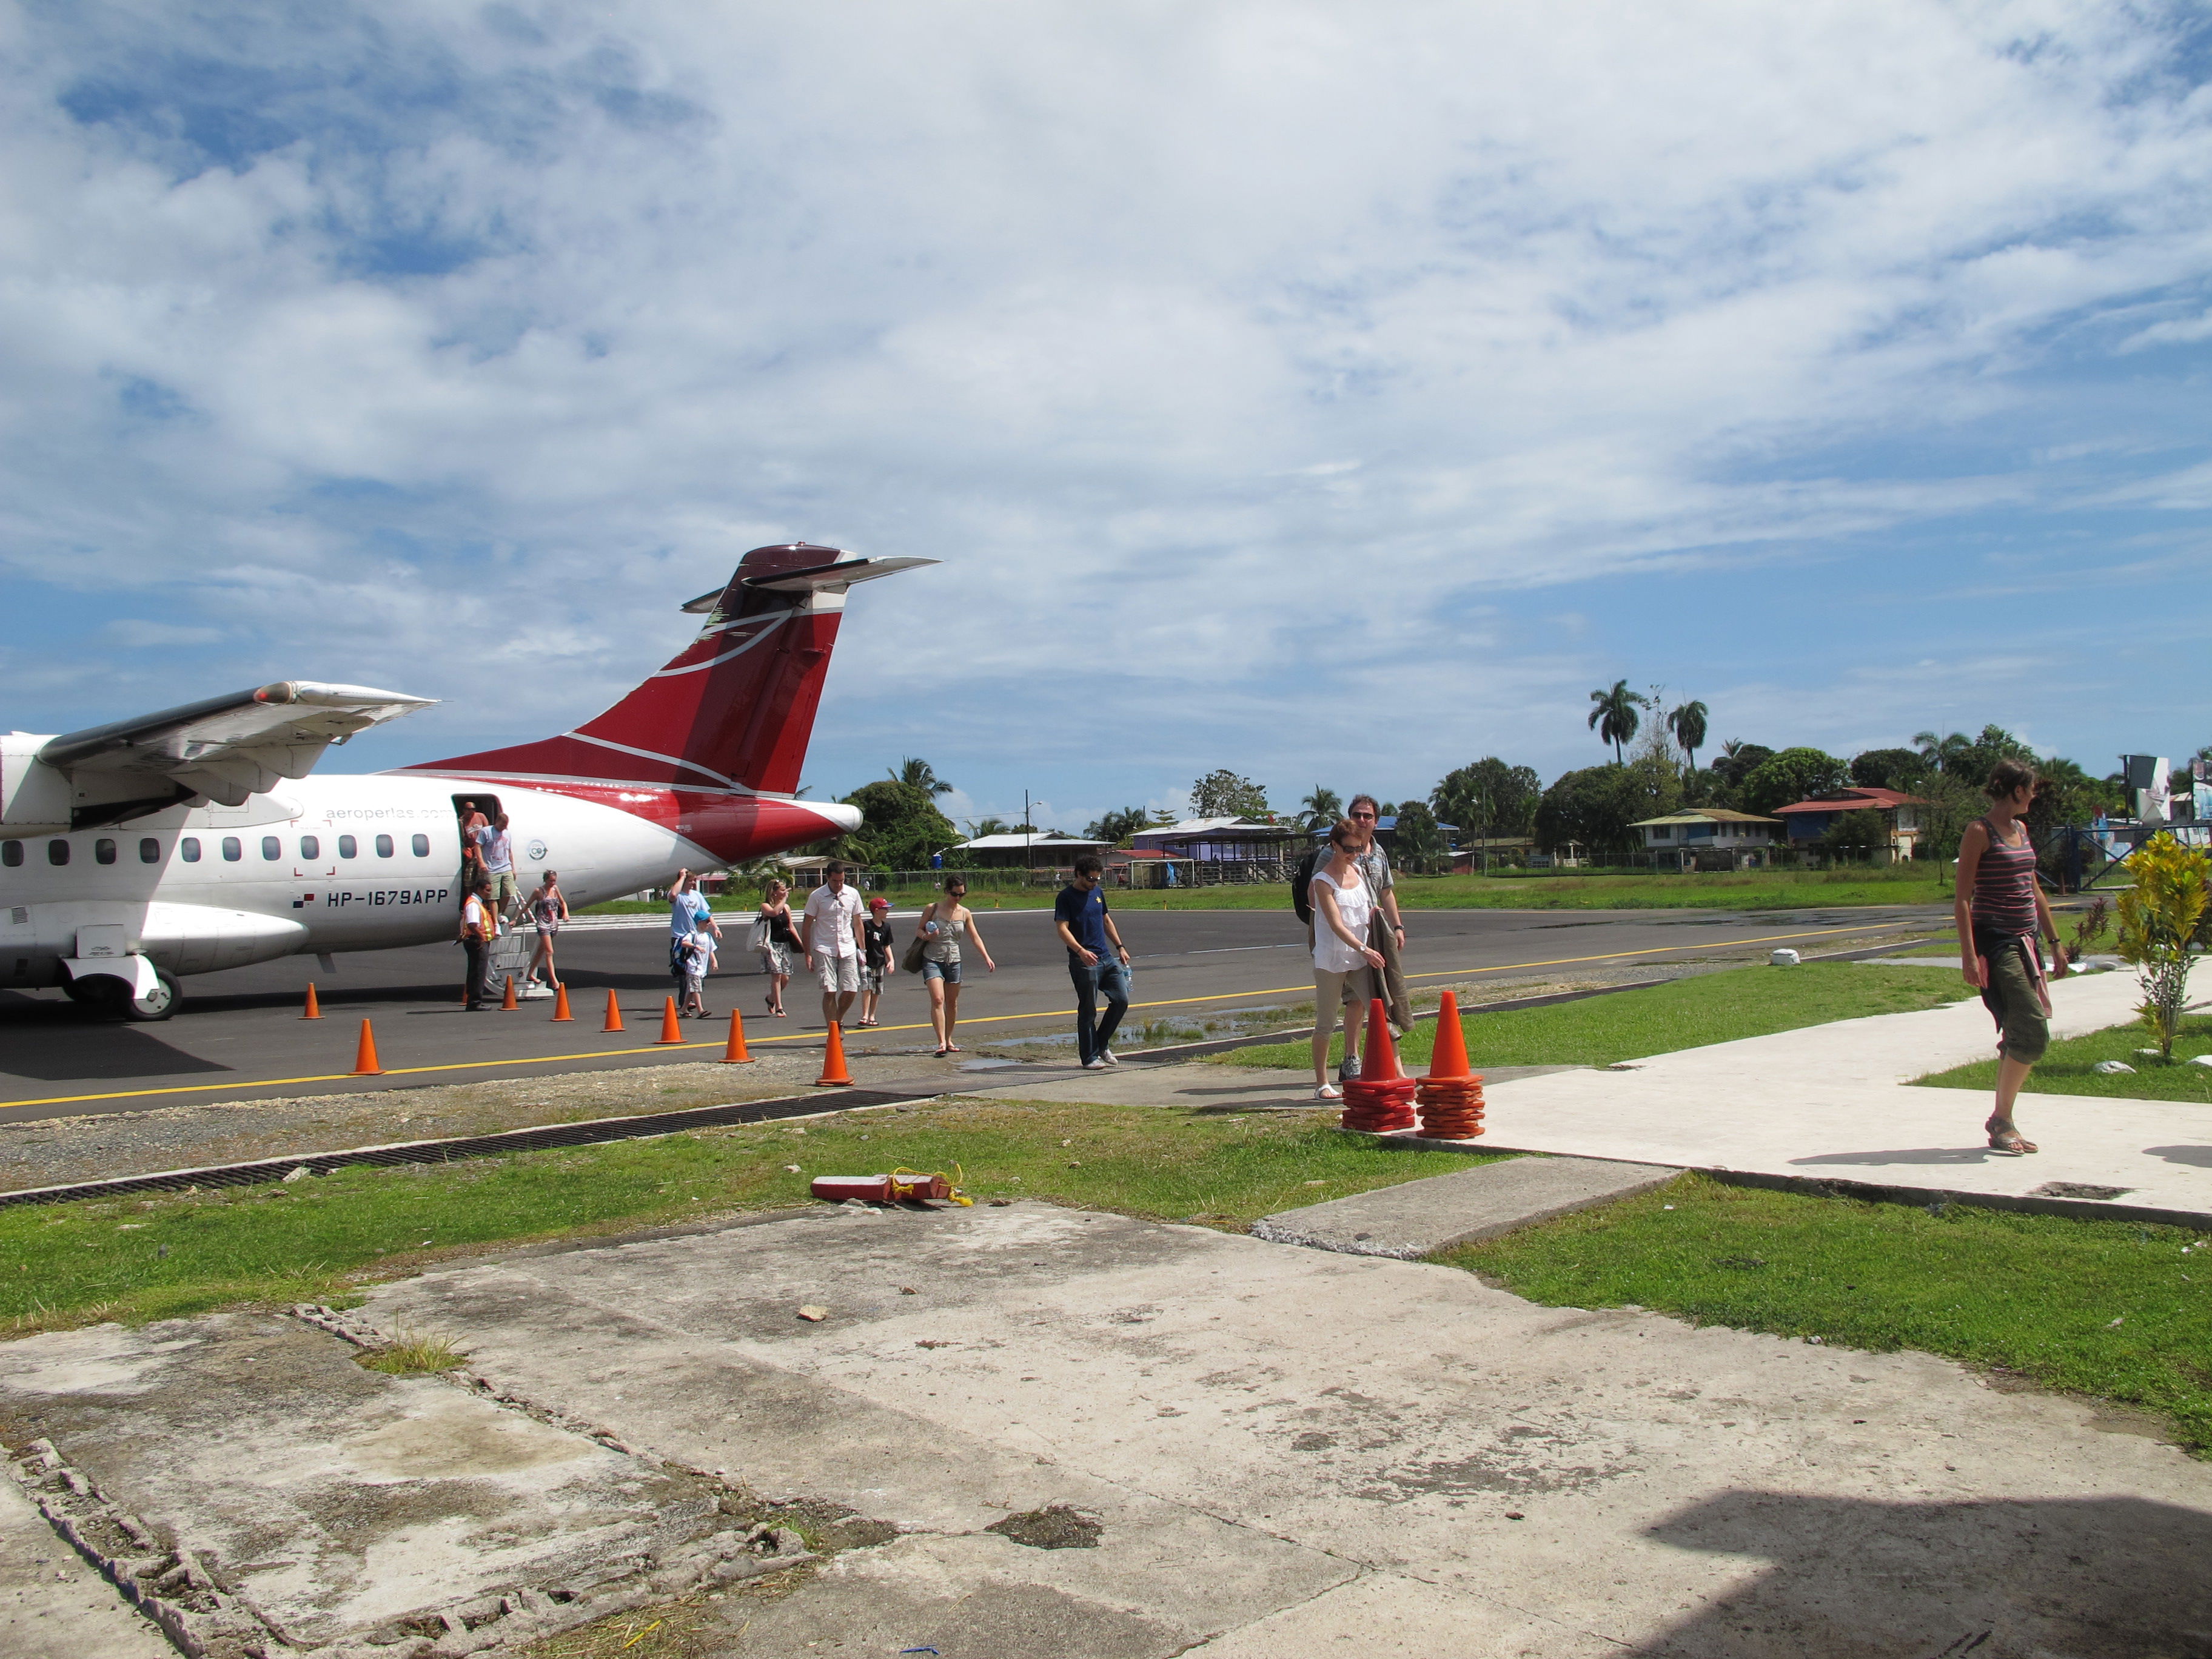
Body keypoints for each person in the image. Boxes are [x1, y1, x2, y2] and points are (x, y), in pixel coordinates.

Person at [1956, 757, 2064, 1155]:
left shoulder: (2021, 829)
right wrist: (1968, 957)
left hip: (2027, 942)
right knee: (2032, 1031)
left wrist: (2054, 942)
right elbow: (1963, 899)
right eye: (2031, 789)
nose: (2034, 796)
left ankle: (2003, 1121)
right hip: (1997, 942)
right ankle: (2002, 1120)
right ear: (2017, 790)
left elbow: (2033, 890)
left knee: (2024, 1028)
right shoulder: (1979, 832)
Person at [1308, 820, 1385, 1100]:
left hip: (1360, 957)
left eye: (1359, 848)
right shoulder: (1322, 881)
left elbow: (1367, 910)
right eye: (1348, 849)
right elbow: (1336, 924)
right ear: (1334, 846)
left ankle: (1392, 1071)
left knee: (1381, 1011)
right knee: (1326, 1023)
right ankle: (1322, 1084)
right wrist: (1364, 949)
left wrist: (1381, 926)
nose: (1353, 854)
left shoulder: (1359, 871)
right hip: (1332, 959)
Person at [1344, 795, 1412, 1045]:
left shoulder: (1379, 851)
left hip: (1378, 932)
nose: (1361, 820)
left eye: (1367, 816)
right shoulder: (1335, 850)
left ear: (1376, 822)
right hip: (1351, 934)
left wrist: (1397, 927)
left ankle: (1386, 1061)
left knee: (1384, 991)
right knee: (1355, 999)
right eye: (1357, 815)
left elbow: (1386, 892)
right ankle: (1352, 1058)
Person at [1055, 853, 1131, 1069]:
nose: (1094, 883)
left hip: (1106, 957)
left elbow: (1106, 920)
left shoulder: (1098, 892)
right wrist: (1080, 951)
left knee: (1121, 1000)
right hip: (1084, 961)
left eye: (1097, 879)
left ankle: (1101, 1044)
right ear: (1078, 875)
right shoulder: (1066, 897)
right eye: (1090, 879)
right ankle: (1089, 1057)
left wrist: (1120, 946)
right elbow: (1062, 928)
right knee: (1088, 1010)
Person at [916, 875, 994, 1056]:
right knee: (938, 999)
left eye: (962, 895)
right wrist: (927, 936)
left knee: (952, 1002)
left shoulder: (965, 913)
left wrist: (986, 957)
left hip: (954, 960)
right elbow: (918, 930)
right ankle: (941, 1042)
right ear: (946, 892)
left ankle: (949, 1039)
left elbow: (975, 937)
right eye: (954, 894)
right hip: (932, 958)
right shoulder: (933, 908)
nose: (958, 898)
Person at [802, 861, 868, 1031]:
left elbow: (858, 922)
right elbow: (807, 925)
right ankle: (833, 1030)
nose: (839, 885)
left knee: (851, 988)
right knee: (829, 990)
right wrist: (807, 954)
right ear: (828, 878)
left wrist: (862, 949)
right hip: (825, 947)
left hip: (847, 946)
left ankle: (838, 1019)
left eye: (842, 881)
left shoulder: (852, 894)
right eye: (835, 881)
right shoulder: (817, 896)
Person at [754, 879, 798, 1016]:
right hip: (772, 944)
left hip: (785, 944)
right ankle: (779, 1007)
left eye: (785, 891)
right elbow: (774, 913)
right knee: (777, 975)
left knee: (786, 977)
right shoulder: (765, 906)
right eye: (782, 891)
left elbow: (790, 925)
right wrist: (783, 900)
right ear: (774, 892)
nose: (785, 893)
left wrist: (800, 942)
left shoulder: (786, 908)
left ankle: (771, 998)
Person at [525, 870, 569, 990]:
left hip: (553, 924)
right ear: (545, 880)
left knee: (541, 951)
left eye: (554, 880)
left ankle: (530, 974)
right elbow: (527, 905)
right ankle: (554, 981)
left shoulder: (555, 889)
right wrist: (515, 919)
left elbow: (563, 902)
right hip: (543, 924)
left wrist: (566, 913)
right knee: (549, 952)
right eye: (550, 880)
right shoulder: (538, 891)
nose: (553, 883)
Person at [475, 812, 520, 923]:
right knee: (493, 896)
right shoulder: (486, 832)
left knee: (509, 892)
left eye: (506, 826)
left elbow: (509, 852)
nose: (504, 828)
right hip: (492, 869)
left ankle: (499, 912)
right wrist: (481, 862)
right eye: (502, 825)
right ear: (497, 822)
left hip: (506, 867)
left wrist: (513, 868)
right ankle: (495, 921)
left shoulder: (507, 834)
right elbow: (477, 846)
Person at [857, 896, 896, 1027]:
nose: (887, 911)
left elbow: (887, 945)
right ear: (877, 910)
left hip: (880, 962)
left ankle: (872, 1015)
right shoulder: (866, 925)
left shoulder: (886, 927)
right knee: (867, 987)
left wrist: (891, 960)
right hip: (867, 961)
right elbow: (858, 941)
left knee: (877, 990)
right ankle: (865, 1015)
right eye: (885, 909)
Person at [458, 874, 495, 1010]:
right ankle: (475, 1002)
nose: (489, 893)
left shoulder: (476, 903)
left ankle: (473, 1000)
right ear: (479, 889)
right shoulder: (474, 904)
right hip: (476, 941)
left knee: (476, 970)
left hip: (475, 940)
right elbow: (473, 924)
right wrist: (482, 938)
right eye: (487, 890)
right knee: (479, 971)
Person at [680, 915, 716, 1018]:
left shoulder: (708, 936)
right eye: (707, 921)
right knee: (696, 989)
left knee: (692, 990)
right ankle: (701, 1010)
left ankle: (683, 1009)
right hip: (693, 966)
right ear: (700, 922)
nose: (709, 923)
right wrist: (696, 946)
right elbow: (684, 943)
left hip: (702, 967)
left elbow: (711, 950)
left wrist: (714, 961)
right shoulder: (692, 934)